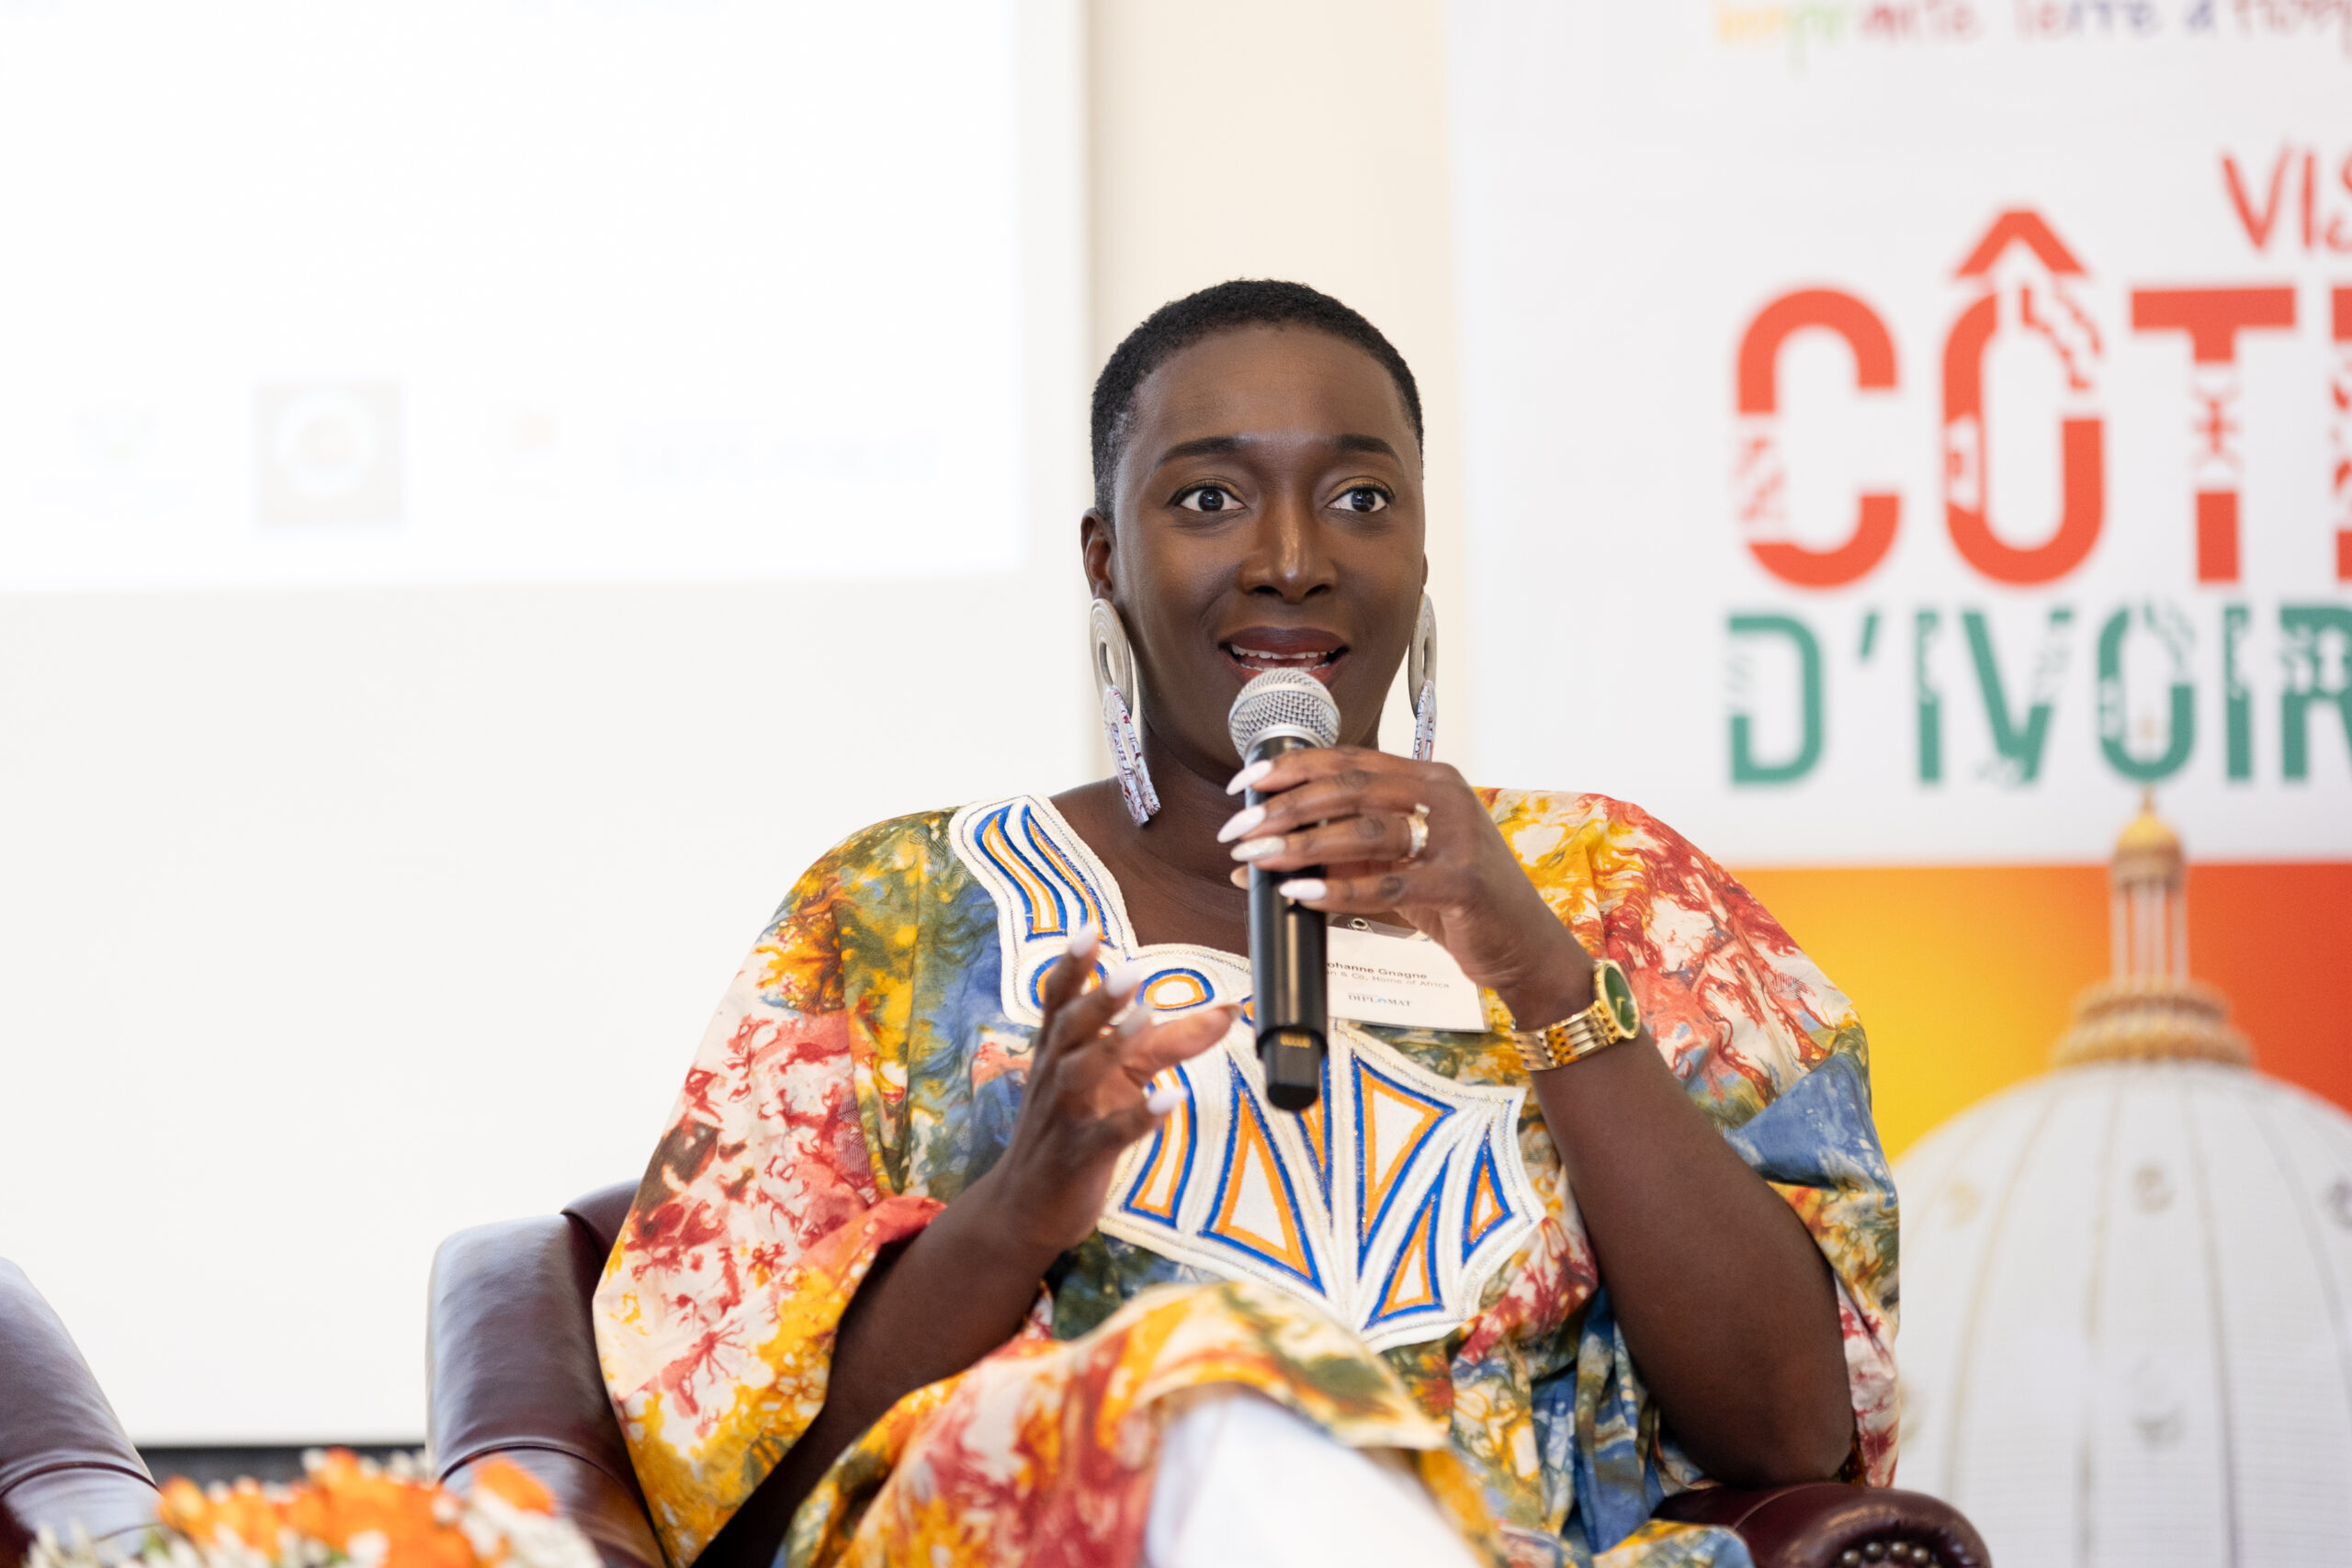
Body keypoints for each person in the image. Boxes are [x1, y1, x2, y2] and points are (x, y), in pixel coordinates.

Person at [592, 281, 1897, 1568]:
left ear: (1422, 553)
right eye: (1208, 499)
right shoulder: (896, 912)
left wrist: (1544, 975)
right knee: (1210, 1378)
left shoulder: (1615, 893)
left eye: (1361, 499)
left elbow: (1792, 1433)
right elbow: (740, 1507)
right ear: (1104, 557)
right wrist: (1024, 1204)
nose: (1291, 558)